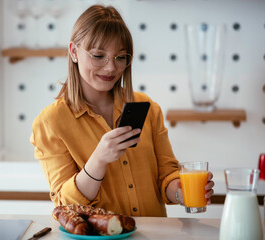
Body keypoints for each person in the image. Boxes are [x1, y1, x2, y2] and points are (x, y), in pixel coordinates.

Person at [30, 4, 214, 217]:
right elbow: (65, 205)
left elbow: (167, 176)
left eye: (120, 57)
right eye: (98, 56)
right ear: (74, 51)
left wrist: (183, 194)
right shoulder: (50, 122)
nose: (111, 67)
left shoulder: (148, 109)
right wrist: (99, 159)